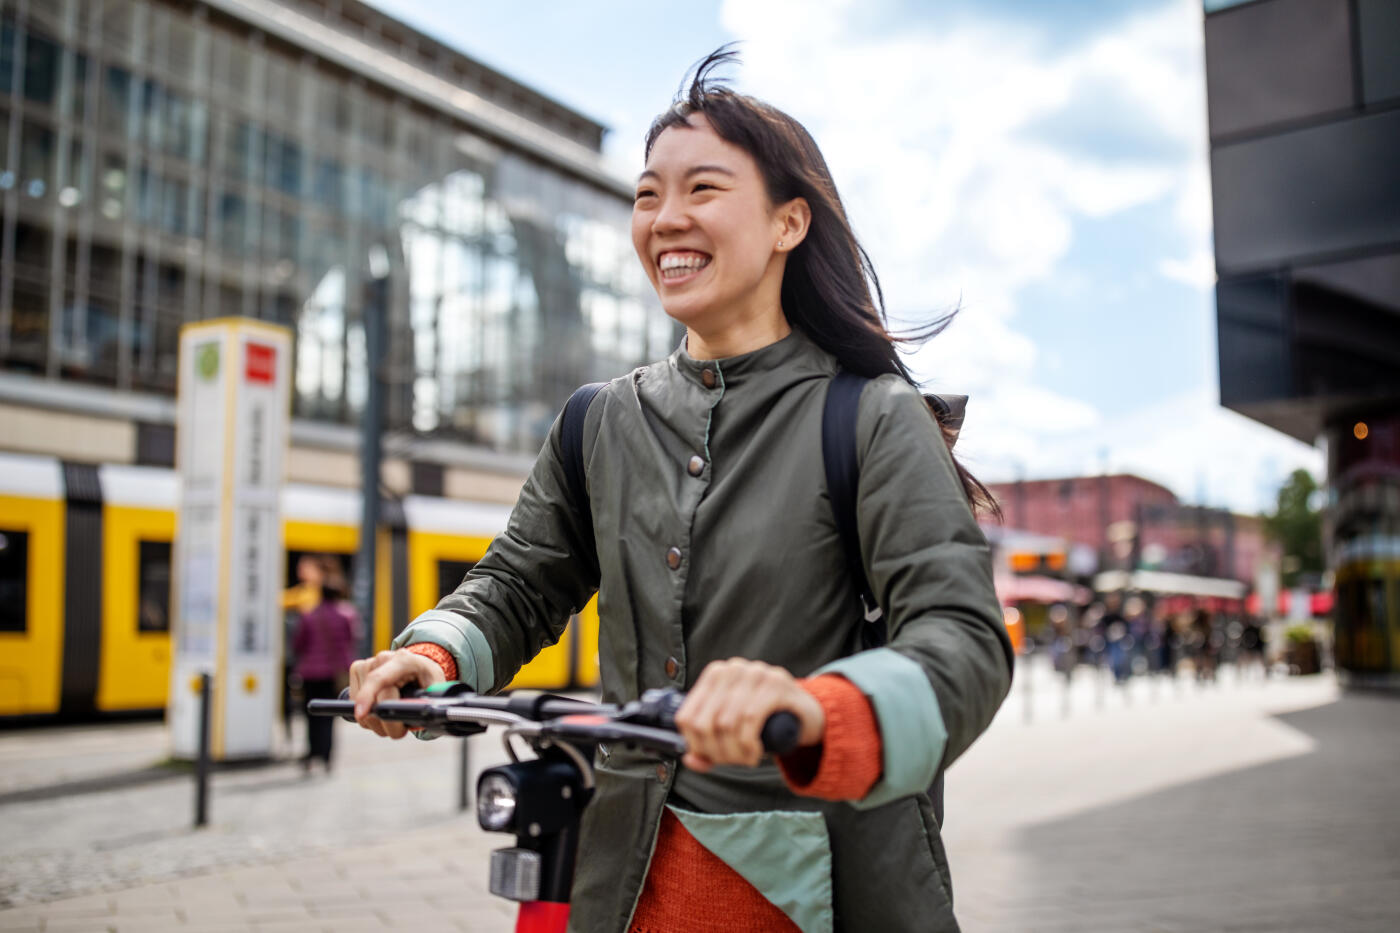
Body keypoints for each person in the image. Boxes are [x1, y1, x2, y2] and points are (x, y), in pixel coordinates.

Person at [350, 47, 1012, 932]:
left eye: (702, 190)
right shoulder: (599, 420)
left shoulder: (873, 418)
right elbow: (519, 581)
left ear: (788, 224)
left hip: (811, 887)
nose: (665, 219)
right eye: (647, 194)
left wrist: (820, 709)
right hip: (618, 874)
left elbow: (964, 639)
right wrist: (430, 658)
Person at [293, 557, 360, 773]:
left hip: (311, 673)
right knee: (331, 715)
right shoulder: (348, 614)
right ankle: (328, 757)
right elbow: (351, 641)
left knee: (312, 714)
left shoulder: (310, 615)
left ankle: (312, 753)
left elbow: (299, 643)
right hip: (334, 672)